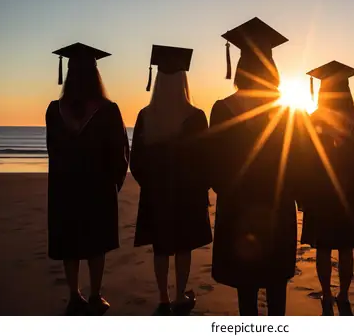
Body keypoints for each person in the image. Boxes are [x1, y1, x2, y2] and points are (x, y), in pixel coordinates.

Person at [207, 17, 298, 316]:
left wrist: (232, 191)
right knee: (275, 284)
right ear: (272, 69)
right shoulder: (287, 113)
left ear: (240, 69)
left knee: (246, 286)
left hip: (238, 210)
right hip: (277, 208)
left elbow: (215, 167)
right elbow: (299, 162)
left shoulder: (222, 109)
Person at [45, 42, 130, 315]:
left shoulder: (54, 110)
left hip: (64, 188)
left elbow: (52, 150)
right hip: (98, 187)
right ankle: (95, 294)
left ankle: (74, 294)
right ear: (96, 76)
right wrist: (115, 182)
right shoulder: (108, 109)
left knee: (69, 243)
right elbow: (120, 152)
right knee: (96, 243)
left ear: (68, 75)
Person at [130, 45, 212, 316]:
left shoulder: (146, 116)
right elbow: (204, 160)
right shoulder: (196, 117)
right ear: (183, 80)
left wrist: (152, 185)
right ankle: (179, 295)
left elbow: (136, 162)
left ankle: (164, 297)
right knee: (183, 246)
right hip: (187, 194)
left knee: (161, 246)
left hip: (157, 193)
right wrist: (198, 186)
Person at [298, 61, 354, 315]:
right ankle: (343, 293)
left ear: (322, 93)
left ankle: (327, 293)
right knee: (345, 248)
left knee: (323, 247)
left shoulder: (310, 122)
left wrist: (304, 194)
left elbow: (302, 160)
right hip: (349, 196)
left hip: (320, 194)